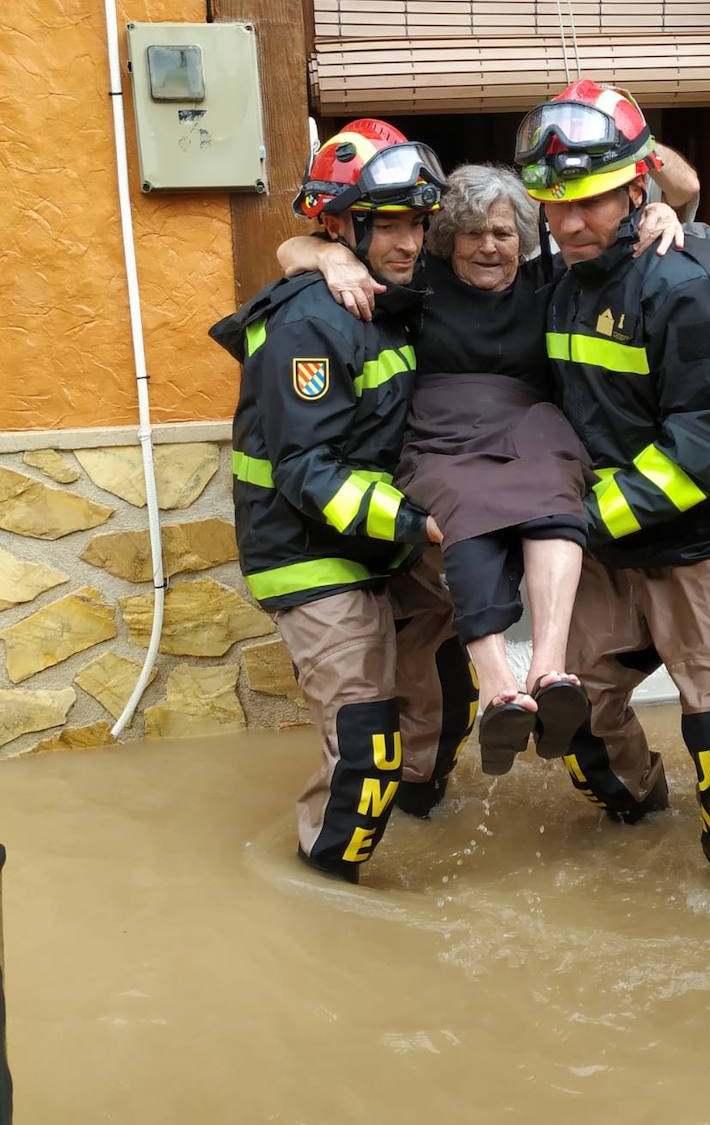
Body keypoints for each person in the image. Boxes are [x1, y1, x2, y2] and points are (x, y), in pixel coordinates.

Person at [277, 160, 685, 775]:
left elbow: (682, 192)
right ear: (447, 239)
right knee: (460, 507)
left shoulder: (554, 279)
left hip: (530, 425)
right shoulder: (416, 281)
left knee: (556, 493)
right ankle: (499, 687)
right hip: (441, 436)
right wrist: (327, 257)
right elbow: (296, 244)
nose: (488, 246)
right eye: (471, 233)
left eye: (502, 232)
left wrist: (656, 210)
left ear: (525, 236)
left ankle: (549, 671)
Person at [517, 79, 710, 880]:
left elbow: (703, 444)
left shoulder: (692, 284)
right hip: (615, 534)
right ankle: (636, 811)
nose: (568, 223)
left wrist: (572, 525)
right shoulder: (563, 278)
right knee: (568, 708)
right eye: (554, 204)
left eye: (591, 203)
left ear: (635, 188)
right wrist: (317, 250)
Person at [210, 120, 476, 883]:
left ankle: (421, 821)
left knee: (447, 694)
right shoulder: (305, 324)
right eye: (386, 222)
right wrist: (417, 524)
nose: (408, 240)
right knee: (367, 743)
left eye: (418, 222)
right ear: (340, 222)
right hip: (307, 551)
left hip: (379, 539)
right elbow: (306, 468)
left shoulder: (393, 299)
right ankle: (325, 889)